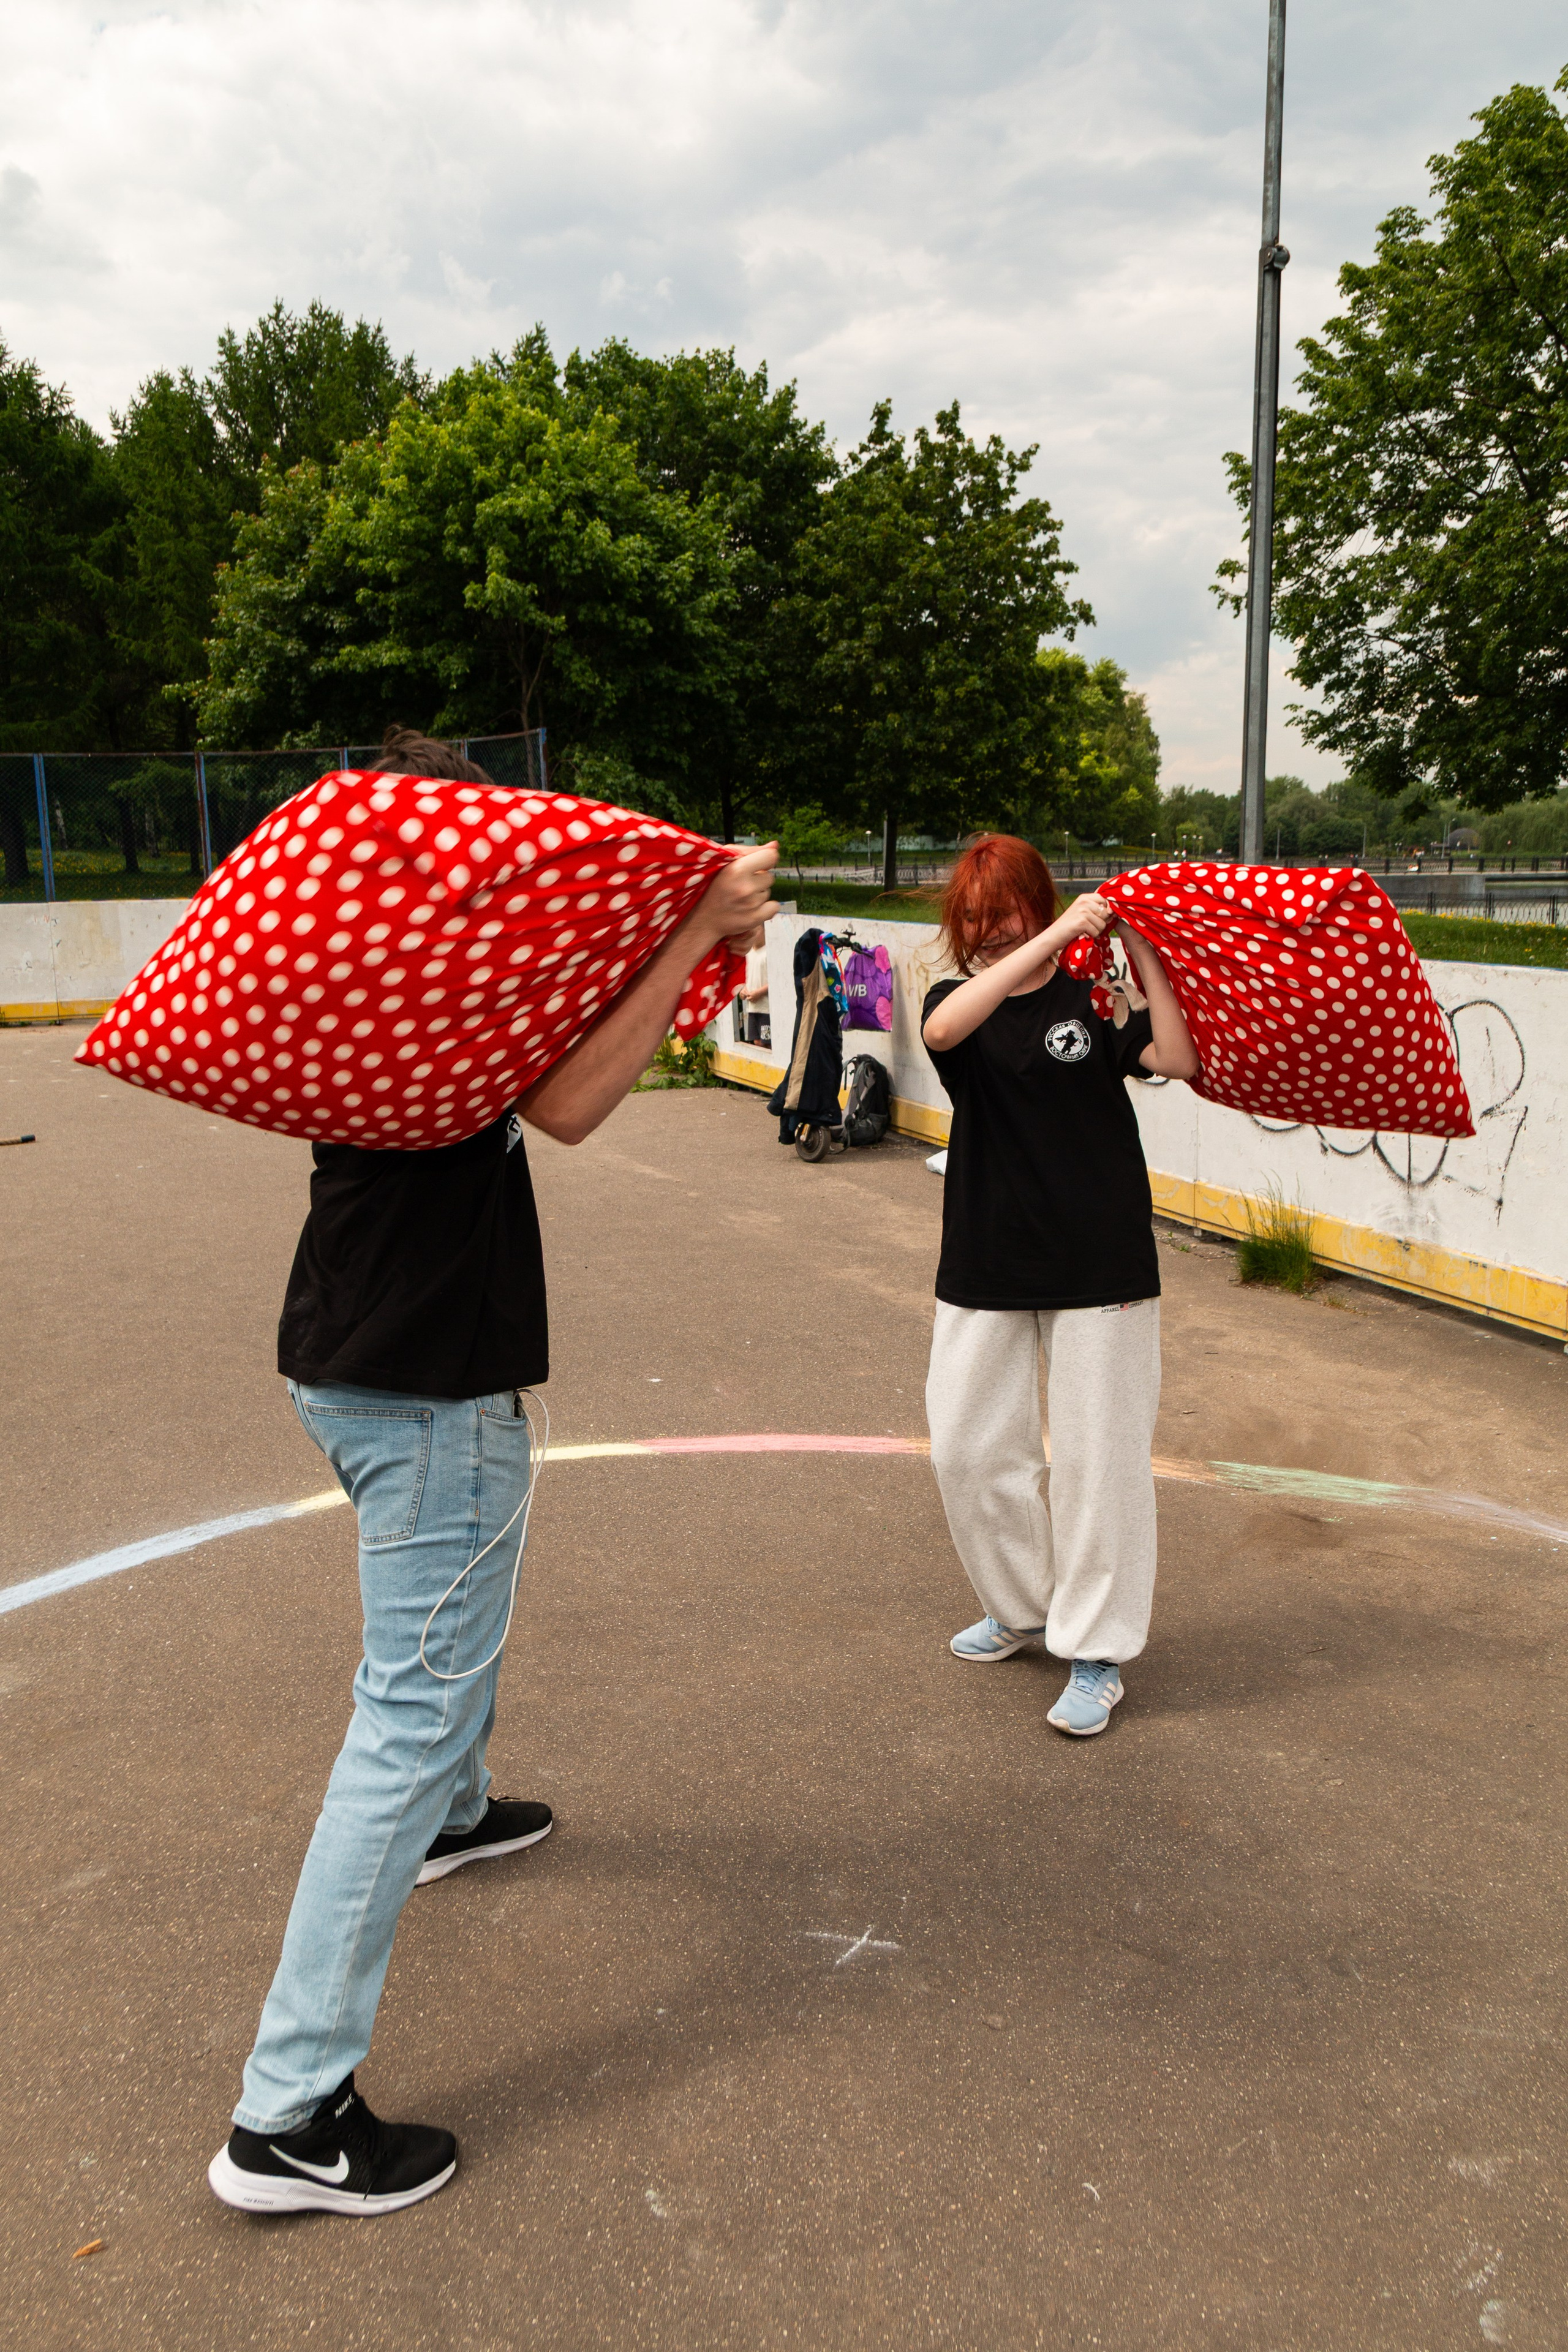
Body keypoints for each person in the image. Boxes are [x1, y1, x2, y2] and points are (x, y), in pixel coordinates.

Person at [208, 729, 778, 2218]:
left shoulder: (361, 962)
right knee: (404, 1711)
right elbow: (573, 1104)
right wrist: (699, 932)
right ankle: (290, 2114)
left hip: (343, 1360)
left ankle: (456, 1812)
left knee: (431, 1669)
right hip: (425, 1393)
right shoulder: (445, 992)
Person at [919, 835, 1199, 1737]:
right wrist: (1053, 939)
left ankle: (1098, 1650)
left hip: (1100, 1258)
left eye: (1003, 912)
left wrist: (1144, 957)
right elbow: (942, 1033)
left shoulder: (1094, 993)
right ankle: (1022, 1606)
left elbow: (1178, 1060)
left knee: (1098, 1462)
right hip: (987, 1256)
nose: (987, 931)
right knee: (968, 1449)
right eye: (973, 918)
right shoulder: (957, 1002)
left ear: (1035, 903)